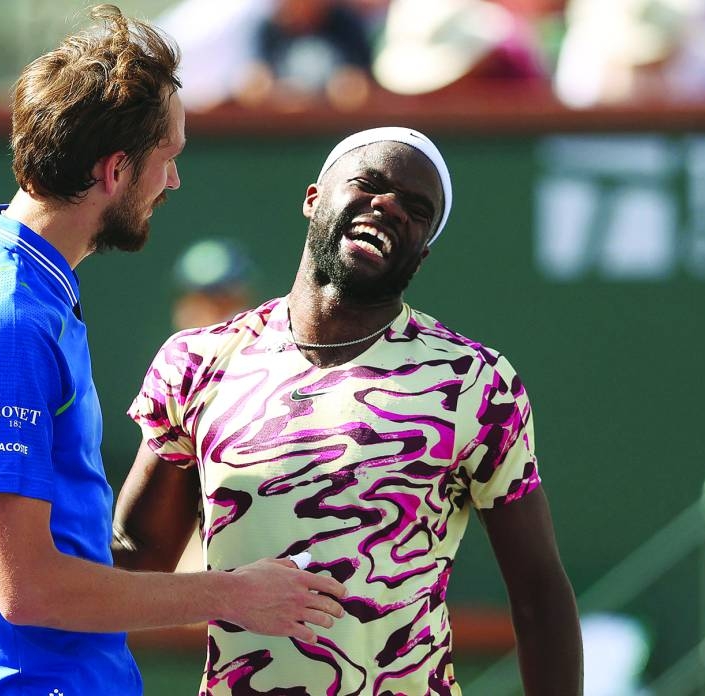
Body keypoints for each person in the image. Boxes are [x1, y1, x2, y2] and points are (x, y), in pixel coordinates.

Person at [0, 5, 345, 695]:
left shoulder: (6, 285)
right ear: (115, 169)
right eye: (166, 160)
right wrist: (232, 594)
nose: (172, 183)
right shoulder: (10, 319)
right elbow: (28, 589)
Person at [118, 127, 583, 694]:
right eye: (370, 185)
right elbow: (135, 567)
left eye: (416, 209)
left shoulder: (476, 383)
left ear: (424, 249)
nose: (388, 207)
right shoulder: (197, 361)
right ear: (313, 197)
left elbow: (539, 593)